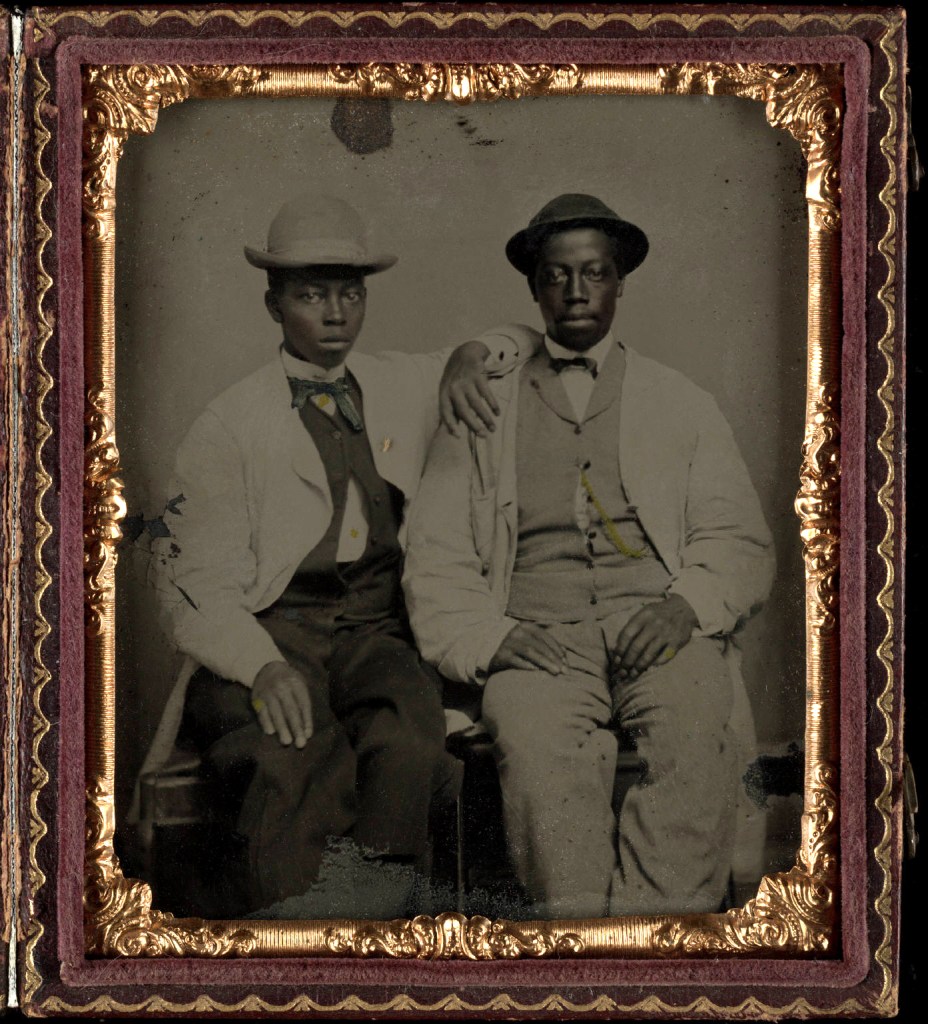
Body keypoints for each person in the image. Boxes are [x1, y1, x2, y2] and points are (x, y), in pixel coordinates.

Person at [137, 194, 535, 918]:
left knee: (412, 744)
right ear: (273, 305)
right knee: (289, 752)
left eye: (349, 294)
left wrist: (467, 359)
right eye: (311, 294)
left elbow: (516, 337)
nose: (334, 314)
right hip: (270, 628)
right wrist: (260, 664)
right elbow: (190, 583)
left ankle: (375, 923)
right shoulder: (230, 422)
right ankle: (298, 938)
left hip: (377, 630)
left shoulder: (399, 382)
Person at [403, 193, 776, 918]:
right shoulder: (482, 402)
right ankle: (579, 949)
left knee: (699, 739)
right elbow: (436, 553)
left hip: (657, 633)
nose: (576, 292)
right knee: (542, 764)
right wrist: (497, 638)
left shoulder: (680, 401)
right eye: (557, 275)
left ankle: (649, 944)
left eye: (595, 273)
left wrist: (685, 607)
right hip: (539, 639)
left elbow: (738, 539)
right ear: (534, 287)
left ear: (618, 283)